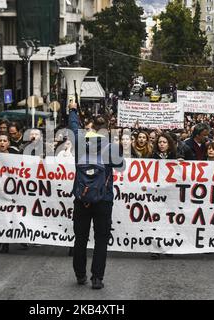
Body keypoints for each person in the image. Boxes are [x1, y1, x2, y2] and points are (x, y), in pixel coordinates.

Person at [69, 102, 125, 290]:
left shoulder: (80, 141)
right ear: (107, 128)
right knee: (101, 239)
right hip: (104, 199)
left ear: (91, 127)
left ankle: (80, 274)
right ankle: (97, 278)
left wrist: (73, 110)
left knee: (80, 237)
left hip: (81, 198)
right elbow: (121, 166)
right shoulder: (110, 146)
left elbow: (74, 127)